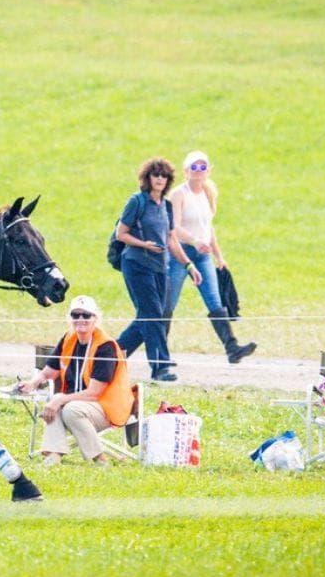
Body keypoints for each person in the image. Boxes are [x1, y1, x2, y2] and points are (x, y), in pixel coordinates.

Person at [16, 295, 133, 466]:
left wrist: (60, 398)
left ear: (96, 318)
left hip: (106, 408)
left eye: (86, 315)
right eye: (75, 315)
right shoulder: (68, 339)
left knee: (69, 408)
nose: (80, 319)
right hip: (78, 404)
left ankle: (99, 459)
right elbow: (49, 371)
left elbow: (94, 393)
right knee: (58, 405)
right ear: (69, 318)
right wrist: (32, 383)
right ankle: (53, 457)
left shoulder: (105, 346)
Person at [166, 151, 256, 364]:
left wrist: (219, 256)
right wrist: (195, 240)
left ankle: (232, 347)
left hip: (203, 255)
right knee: (168, 302)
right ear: (186, 171)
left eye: (202, 167)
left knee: (214, 300)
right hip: (181, 253)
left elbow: (208, 228)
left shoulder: (206, 193)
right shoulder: (179, 194)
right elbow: (174, 228)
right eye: (194, 168)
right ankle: (160, 353)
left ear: (208, 170)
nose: (198, 172)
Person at [115, 157, 200, 382]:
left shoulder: (167, 206)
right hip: (136, 264)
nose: (160, 179)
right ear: (148, 178)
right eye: (156, 175)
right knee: (152, 314)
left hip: (160, 267)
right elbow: (120, 234)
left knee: (151, 315)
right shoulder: (137, 202)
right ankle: (160, 367)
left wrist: (189, 266)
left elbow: (172, 240)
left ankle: (111, 356)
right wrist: (144, 245)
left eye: (164, 176)